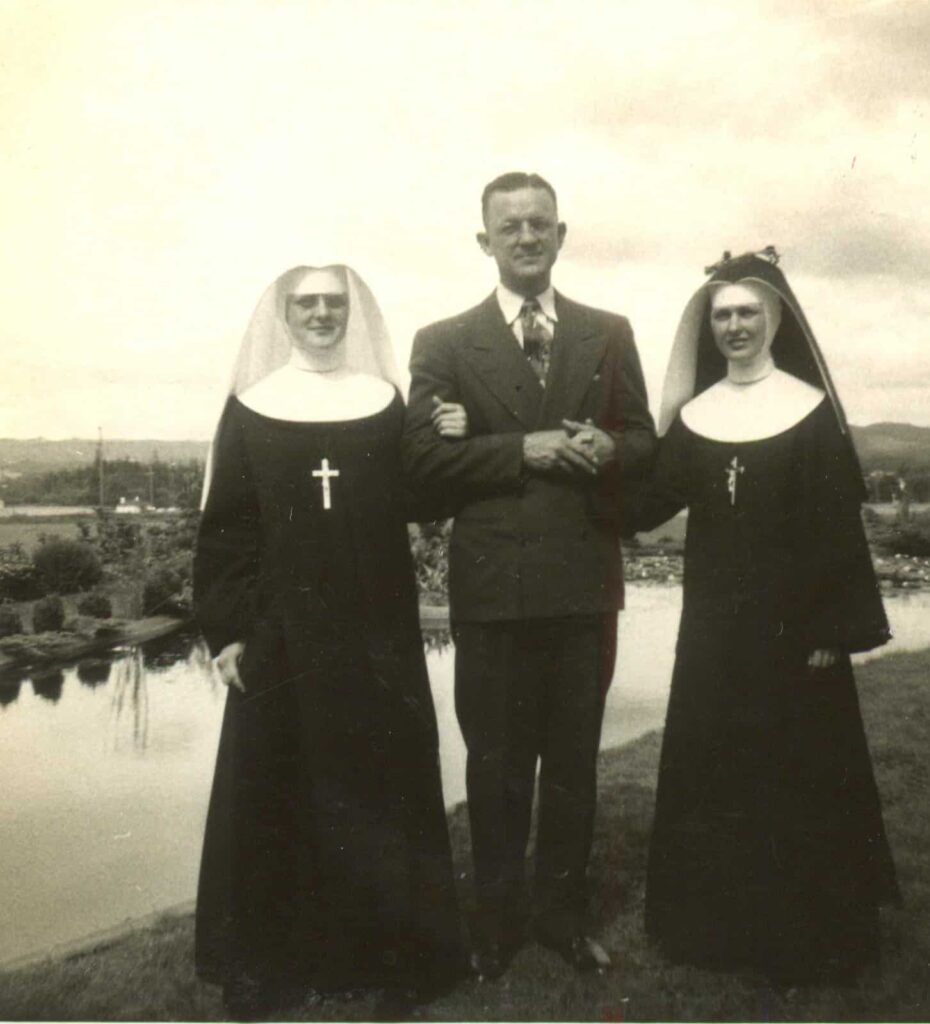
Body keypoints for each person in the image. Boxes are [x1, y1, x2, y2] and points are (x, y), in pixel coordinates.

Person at [403, 173, 656, 978]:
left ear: (561, 234)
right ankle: (497, 924)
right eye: (508, 226)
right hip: (494, 591)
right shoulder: (443, 341)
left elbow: (646, 441)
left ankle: (562, 919)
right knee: (497, 765)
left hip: (583, 585)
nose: (525, 237)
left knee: (574, 764)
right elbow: (419, 466)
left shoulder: (608, 333)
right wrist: (525, 449)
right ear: (485, 241)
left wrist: (614, 449)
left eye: (539, 224)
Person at [193, 265, 463, 1017]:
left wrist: (445, 439)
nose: (321, 314)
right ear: (284, 312)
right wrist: (228, 633)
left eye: (333, 302)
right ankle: (272, 965)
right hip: (282, 636)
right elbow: (226, 530)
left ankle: (390, 963)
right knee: (277, 790)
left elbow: (421, 498)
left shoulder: (383, 404)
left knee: (380, 792)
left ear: (351, 311)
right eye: (307, 302)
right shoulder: (251, 407)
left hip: (376, 630)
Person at [635, 249, 900, 985]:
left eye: (747, 312)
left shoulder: (808, 412)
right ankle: (714, 928)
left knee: (799, 772)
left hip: (794, 634)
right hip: (716, 633)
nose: (734, 326)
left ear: (774, 319)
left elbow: (836, 533)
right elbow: (650, 500)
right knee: (718, 768)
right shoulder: (695, 417)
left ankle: (811, 933)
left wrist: (829, 630)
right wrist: (599, 453)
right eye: (721, 315)